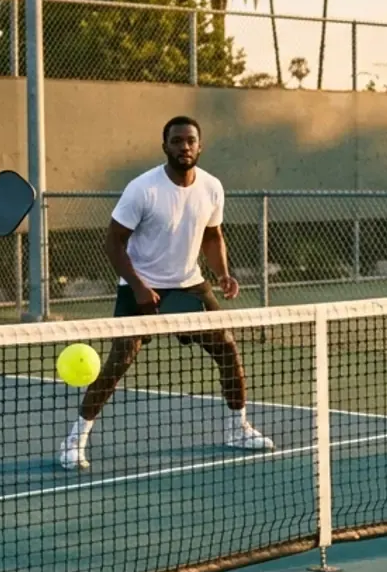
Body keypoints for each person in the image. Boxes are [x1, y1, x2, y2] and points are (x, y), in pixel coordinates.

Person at [59, 116, 273, 471]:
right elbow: (113, 243)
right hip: (140, 285)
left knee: (228, 348)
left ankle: (238, 429)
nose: (184, 147)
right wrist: (140, 287)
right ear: (165, 147)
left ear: (199, 146)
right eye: (177, 141)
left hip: (190, 283)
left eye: (190, 140)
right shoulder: (142, 189)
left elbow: (212, 235)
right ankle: (74, 440)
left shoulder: (211, 187)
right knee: (119, 361)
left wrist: (222, 274)